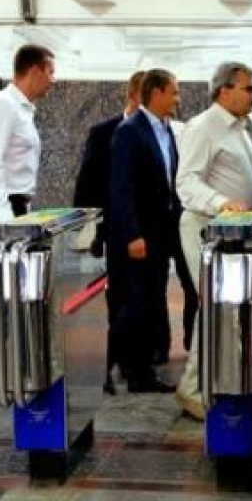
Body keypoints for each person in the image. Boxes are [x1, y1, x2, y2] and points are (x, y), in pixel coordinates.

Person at [175, 61, 252, 422]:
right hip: (208, 231)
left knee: (228, 310)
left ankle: (219, 382)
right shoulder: (203, 126)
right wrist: (222, 203)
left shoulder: (240, 127)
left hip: (238, 235)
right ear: (224, 91)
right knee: (215, 307)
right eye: (248, 88)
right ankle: (193, 389)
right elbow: (186, 182)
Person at [108, 68, 192, 393]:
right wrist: (132, 235)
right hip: (142, 234)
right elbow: (121, 188)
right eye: (174, 92)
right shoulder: (130, 131)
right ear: (156, 93)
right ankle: (133, 369)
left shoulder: (167, 130)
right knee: (140, 302)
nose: (178, 99)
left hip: (166, 229)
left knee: (153, 297)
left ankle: (143, 369)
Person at [0, 45, 55, 399]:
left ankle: (0, 370)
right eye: (50, 71)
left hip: (17, 207)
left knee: (6, 295)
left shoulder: (24, 109)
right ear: (34, 70)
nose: (53, 80)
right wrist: (4, 220)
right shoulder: (2, 105)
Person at [73, 71, 145, 395]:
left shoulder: (160, 132)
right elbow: (87, 182)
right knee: (115, 300)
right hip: (111, 230)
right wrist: (87, 228)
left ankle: (135, 363)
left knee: (141, 299)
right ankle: (108, 366)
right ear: (135, 95)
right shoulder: (103, 132)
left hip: (145, 232)